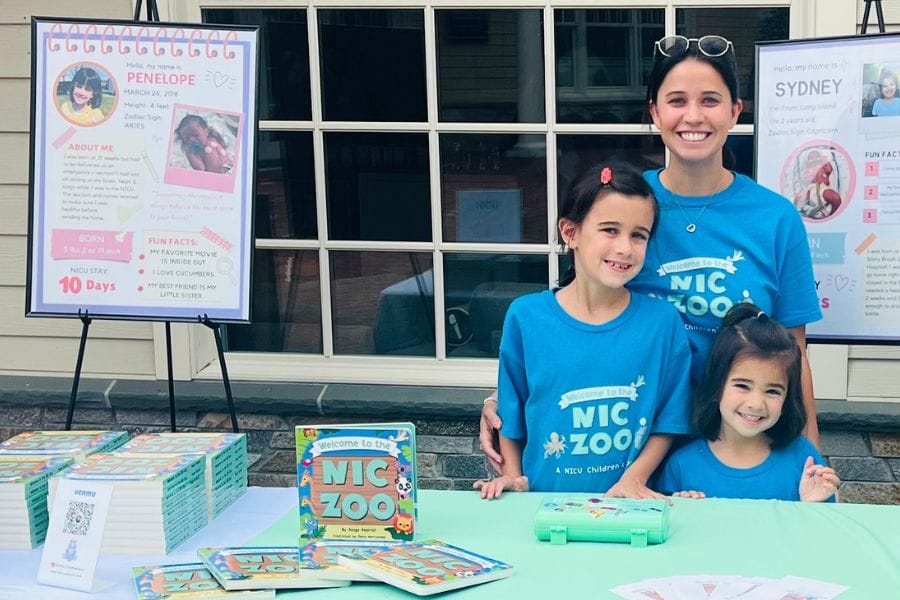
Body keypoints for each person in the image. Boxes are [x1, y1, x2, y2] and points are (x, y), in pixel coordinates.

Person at [479, 34, 822, 473]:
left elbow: (793, 353)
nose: (693, 116)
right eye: (677, 100)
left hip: (737, 447)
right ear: (655, 112)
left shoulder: (776, 218)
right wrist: (505, 398)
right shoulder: (627, 204)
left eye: (710, 100)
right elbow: (572, 320)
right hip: (627, 453)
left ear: (736, 111)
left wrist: (810, 456)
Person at [475, 161, 691, 500]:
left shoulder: (662, 323)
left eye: (639, 235)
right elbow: (511, 414)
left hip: (631, 509)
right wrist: (514, 479)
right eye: (610, 230)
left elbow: (670, 418)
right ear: (570, 232)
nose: (625, 248)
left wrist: (634, 479)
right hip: (545, 506)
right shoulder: (526, 317)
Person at [654, 303, 839, 502]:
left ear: (787, 399)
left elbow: (825, 519)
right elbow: (665, 519)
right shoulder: (682, 466)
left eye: (772, 391)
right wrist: (682, 508)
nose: (756, 404)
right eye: (743, 386)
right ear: (716, 387)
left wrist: (813, 505)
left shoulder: (804, 459)